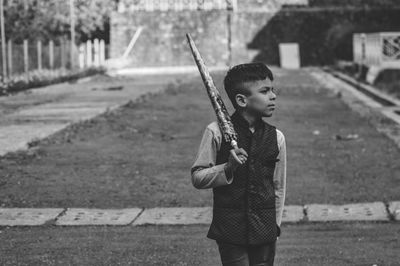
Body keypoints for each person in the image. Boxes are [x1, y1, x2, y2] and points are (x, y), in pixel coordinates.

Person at [190, 62, 286, 266]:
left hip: (265, 230)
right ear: (242, 100)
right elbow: (198, 177)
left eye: (272, 89)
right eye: (264, 91)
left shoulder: (276, 138)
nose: (273, 96)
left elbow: (278, 187)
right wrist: (228, 167)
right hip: (230, 230)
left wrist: (274, 226)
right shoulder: (216, 132)